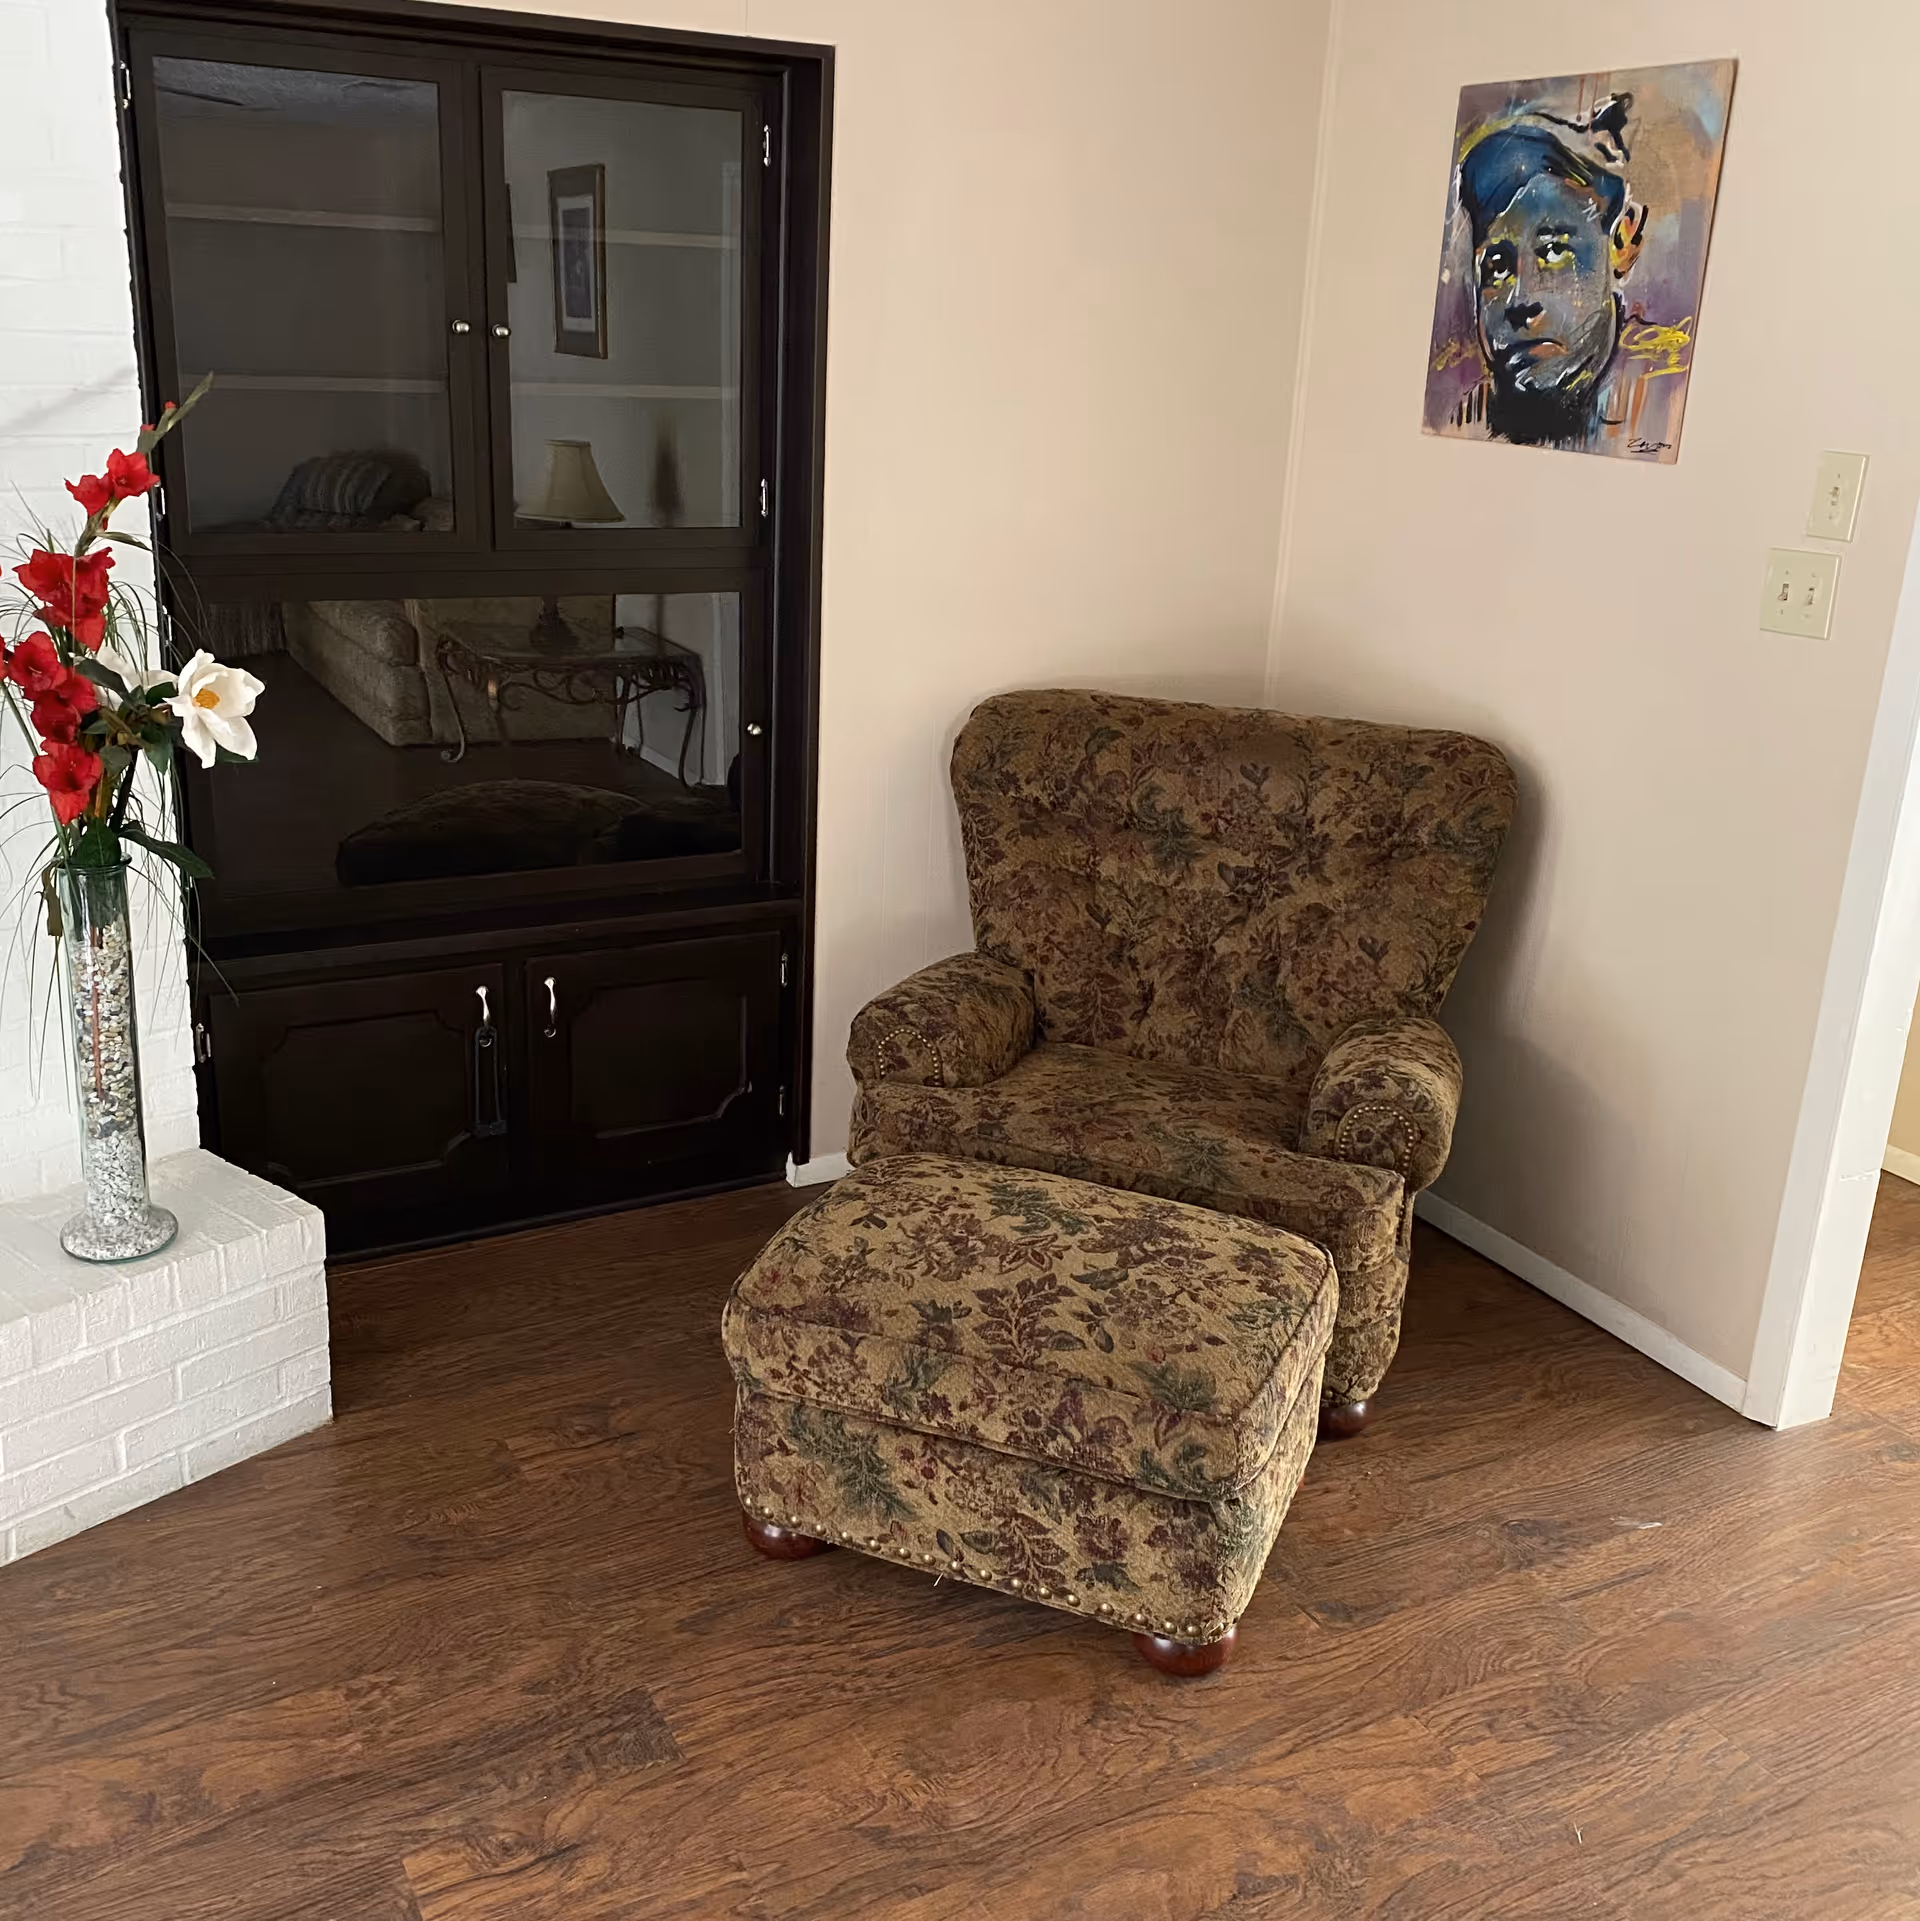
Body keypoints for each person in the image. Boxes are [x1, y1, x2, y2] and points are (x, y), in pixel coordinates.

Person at [1454, 95, 1648, 449]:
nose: (1520, 299)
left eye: (1555, 250)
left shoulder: (1655, 405)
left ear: (1621, 245)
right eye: (1496, 269)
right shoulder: (1460, 425)